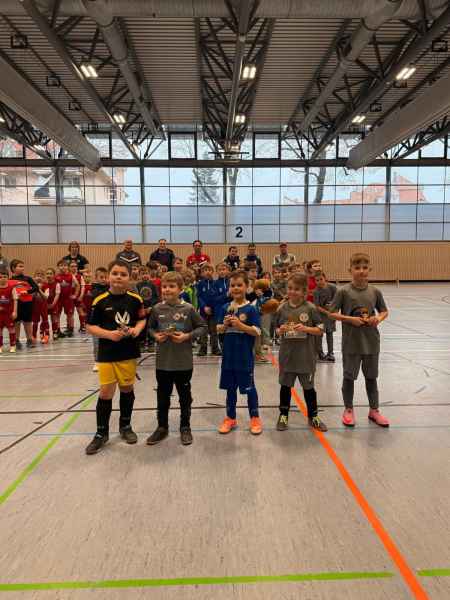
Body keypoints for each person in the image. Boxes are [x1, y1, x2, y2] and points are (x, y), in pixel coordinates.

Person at [85, 260, 147, 455]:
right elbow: (90, 326)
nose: (119, 277)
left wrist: (137, 329)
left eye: (123, 274)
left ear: (129, 277)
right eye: (115, 273)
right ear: (108, 276)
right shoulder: (99, 300)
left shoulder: (136, 299)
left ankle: (125, 426)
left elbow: (142, 319)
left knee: (127, 389)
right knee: (106, 392)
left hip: (128, 352)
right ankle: (101, 433)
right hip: (107, 353)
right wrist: (109, 334)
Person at [329, 253, 390, 428]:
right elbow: (331, 313)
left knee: (372, 377)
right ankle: (348, 409)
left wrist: (378, 319)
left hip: (371, 343)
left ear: (370, 269)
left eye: (364, 267)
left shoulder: (375, 291)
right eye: (357, 268)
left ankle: (374, 410)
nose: (361, 271)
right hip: (351, 343)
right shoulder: (343, 291)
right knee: (349, 377)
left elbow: (384, 311)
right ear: (350, 270)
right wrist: (350, 319)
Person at [147, 271, 206, 446]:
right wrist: (155, 336)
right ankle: (162, 427)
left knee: (184, 396)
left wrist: (187, 336)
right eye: (164, 286)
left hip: (183, 363)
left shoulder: (188, 309)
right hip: (163, 363)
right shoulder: (157, 309)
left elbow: (202, 327)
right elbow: (150, 328)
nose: (167, 289)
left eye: (171, 286)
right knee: (163, 396)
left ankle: (185, 427)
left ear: (181, 289)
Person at [275, 273, 328, 433]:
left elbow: (320, 330)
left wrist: (306, 328)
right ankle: (283, 415)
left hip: (306, 357)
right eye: (290, 288)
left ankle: (313, 416)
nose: (292, 291)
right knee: (285, 387)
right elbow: (276, 330)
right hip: (287, 356)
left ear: (304, 291)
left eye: (297, 289)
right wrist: (280, 330)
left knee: (308, 388)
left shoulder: (310, 308)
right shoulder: (282, 308)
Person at [216, 270, 263, 435]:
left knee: (249, 388)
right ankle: (230, 417)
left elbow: (257, 331)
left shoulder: (251, 309)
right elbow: (218, 329)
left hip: (244, 356)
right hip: (228, 356)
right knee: (230, 388)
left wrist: (240, 325)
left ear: (247, 287)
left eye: (239, 285)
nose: (235, 288)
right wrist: (224, 325)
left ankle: (255, 417)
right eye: (233, 285)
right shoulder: (225, 307)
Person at [10, 259, 39, 349]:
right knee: (16, 322)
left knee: (28, 322)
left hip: (27, 303)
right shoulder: (9, 280)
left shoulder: (27, 278)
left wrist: (27, 291)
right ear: (13, 268)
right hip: (16, 304)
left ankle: (29, 339)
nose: (22, 268)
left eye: (23, 266)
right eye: (20, 266)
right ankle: (16, 340)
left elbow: (36, 288)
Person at [196, 263, 221, 356]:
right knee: (204, 330)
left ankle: (215, 348)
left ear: (213, 272)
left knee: (214, 330)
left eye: (209, 270)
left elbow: (217, 297)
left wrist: (211, 307)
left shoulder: (216, 283)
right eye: (205, 270)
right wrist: (204, 307)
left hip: (213, 311)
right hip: (203, 312)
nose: (208, 272)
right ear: (202, 273)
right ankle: (203, 349)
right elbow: (199, 297)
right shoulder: (200, 284)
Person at [313, 271, 337, 362]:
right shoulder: (316, 291)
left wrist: (334, 309)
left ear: (325, 278)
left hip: (331, 316)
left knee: (329, 334)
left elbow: (337, 299)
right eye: (317, 280)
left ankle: (330, 353)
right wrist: (327, 312)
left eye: (321, 279)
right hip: (320, 316)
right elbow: (317, 306)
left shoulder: (332, 287)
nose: (319, 282)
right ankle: (319, 352)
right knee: (319, 334)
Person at [90, 267, 109, 372]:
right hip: (96, 320)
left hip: (108, 319)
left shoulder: (111, 288)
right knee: (97, 342)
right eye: (101, 277)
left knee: (108, 340)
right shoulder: (94, 289)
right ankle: (97, 361)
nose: (104, 279)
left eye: (105, 277)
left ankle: (108, 359)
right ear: (96, 278)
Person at [56, 260, 79, 338]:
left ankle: (70, 329)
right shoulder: (56, 276)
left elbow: (77, 285)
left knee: (70, 315)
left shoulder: (71, 276)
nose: (63, 267)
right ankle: (57, 330)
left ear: (67, 267)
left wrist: (75, 295)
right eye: (61, 265)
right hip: (58, 299)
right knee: (57, 315)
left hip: (68, 299)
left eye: (65, 265)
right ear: (58, 267)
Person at [0, 268, 18, 353]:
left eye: (5, 277)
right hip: (0, 314)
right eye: (1, 277)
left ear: (8, 278)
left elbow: (15, 300)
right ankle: (0, 346)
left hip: (9, 313)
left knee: (11, 329)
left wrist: (15, 311)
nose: (3, 278)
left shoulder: (11, 288)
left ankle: (13, 345)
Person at [31, 269, 50, 344]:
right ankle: (33, 336)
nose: (39, 276)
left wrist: (38, 289)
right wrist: (34, 288)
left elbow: (46, 297)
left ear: (43, 276)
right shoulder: (31, 285)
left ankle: (46, 335)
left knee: (45, 320)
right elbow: (30, 296)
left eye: (41, 274)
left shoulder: (46, 285)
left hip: (43, 306)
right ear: (34, 276)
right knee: (35, 322)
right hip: (35, 306)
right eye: (37, 274)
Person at [42, 268, 61, 340]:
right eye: (47, 273)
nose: (49, 275)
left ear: (54, 275)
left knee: (54, 319)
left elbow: (57, 295)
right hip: (45, 305)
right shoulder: (43, 284)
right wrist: (45, 304)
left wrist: (53, 304)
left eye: (50, 274)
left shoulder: (57, 284)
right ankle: (46, 334)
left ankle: (55, 333)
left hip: (53, 305)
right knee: (45, 319)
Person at [69, 260, 86, 332]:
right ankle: (70, 327)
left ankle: (83, 326)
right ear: (69, 267)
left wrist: (81, 296)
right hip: (70, 297)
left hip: (78, 297)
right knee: (70, 313)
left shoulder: (80, 276)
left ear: (77, 267)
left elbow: (83, 287)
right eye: (72, 266)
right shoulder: (68, 276)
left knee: (80, 311)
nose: (74, 268)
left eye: (75, 266)